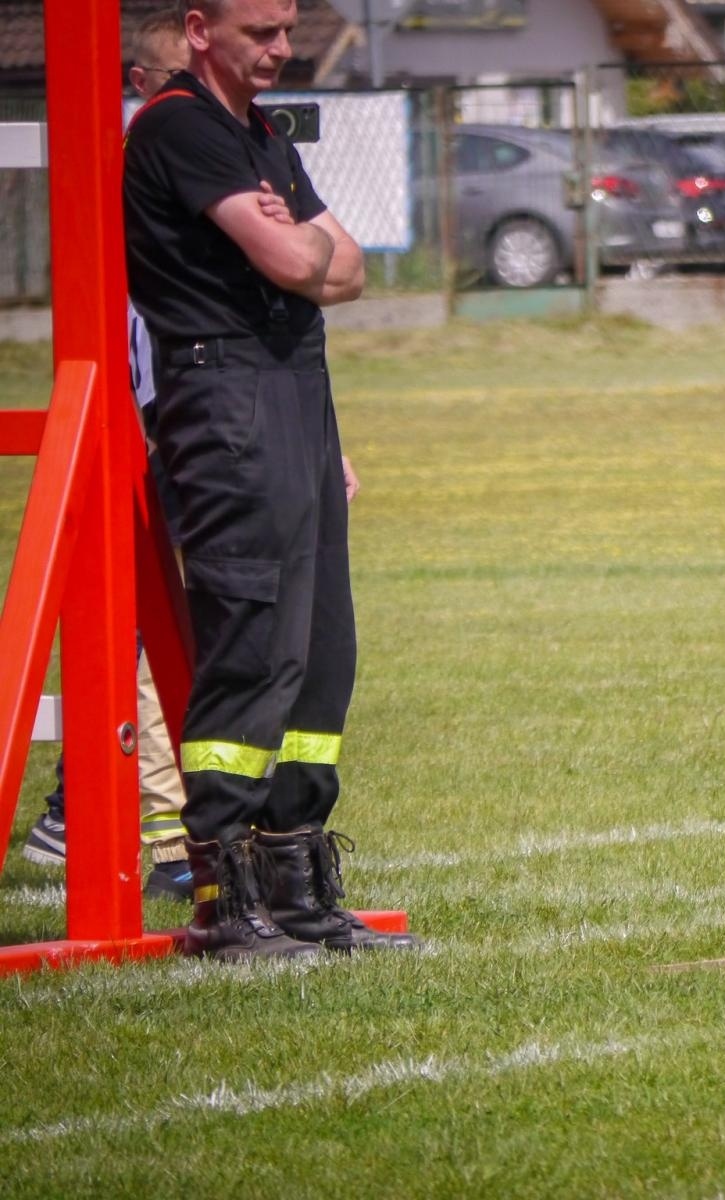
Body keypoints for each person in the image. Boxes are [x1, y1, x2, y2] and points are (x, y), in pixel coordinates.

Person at [123, 0, 412, 959]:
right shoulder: (179, 126)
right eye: (262, 32)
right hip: (227, 394)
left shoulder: (262, 135)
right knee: (252, 644)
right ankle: (224, 892)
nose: (282, 49)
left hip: (297, 387)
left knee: (320, 649)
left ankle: (298, 883)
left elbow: (348, 272)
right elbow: (299, 257)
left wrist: (304, 253)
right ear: (201, 28)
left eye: (288, 30)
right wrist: (298, 250)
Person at [22, 11, 196, 902]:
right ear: (138, 83)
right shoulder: (142, 152)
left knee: (149, 620)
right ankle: (139, 828)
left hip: (169, 406)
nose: (186, 95)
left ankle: (75, 805)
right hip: (143, 411)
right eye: (172, 80)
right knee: (147, 620)